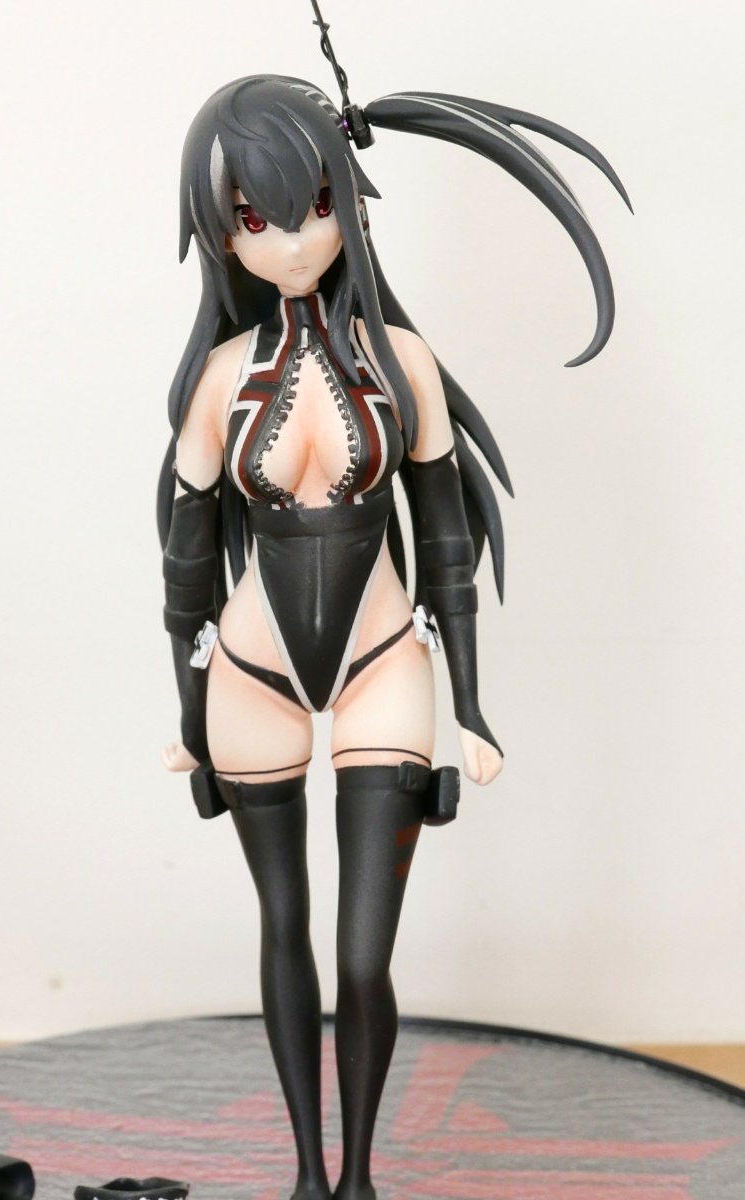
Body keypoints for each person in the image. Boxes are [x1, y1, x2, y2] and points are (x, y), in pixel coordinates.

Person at [157, 75, 628, 1200]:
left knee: (363, 953)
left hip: (384, 665)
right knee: (285, 927)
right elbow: (184, 568)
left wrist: (469, 707)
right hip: (252, 673)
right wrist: (186, 715)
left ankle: (360, 1178)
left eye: (315, 204)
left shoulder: (400, 364)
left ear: (349, 198)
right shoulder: (220, 381)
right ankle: (307, 1176)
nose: (289, 241)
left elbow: (447, 543)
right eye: (252, 218)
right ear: (222, 233)